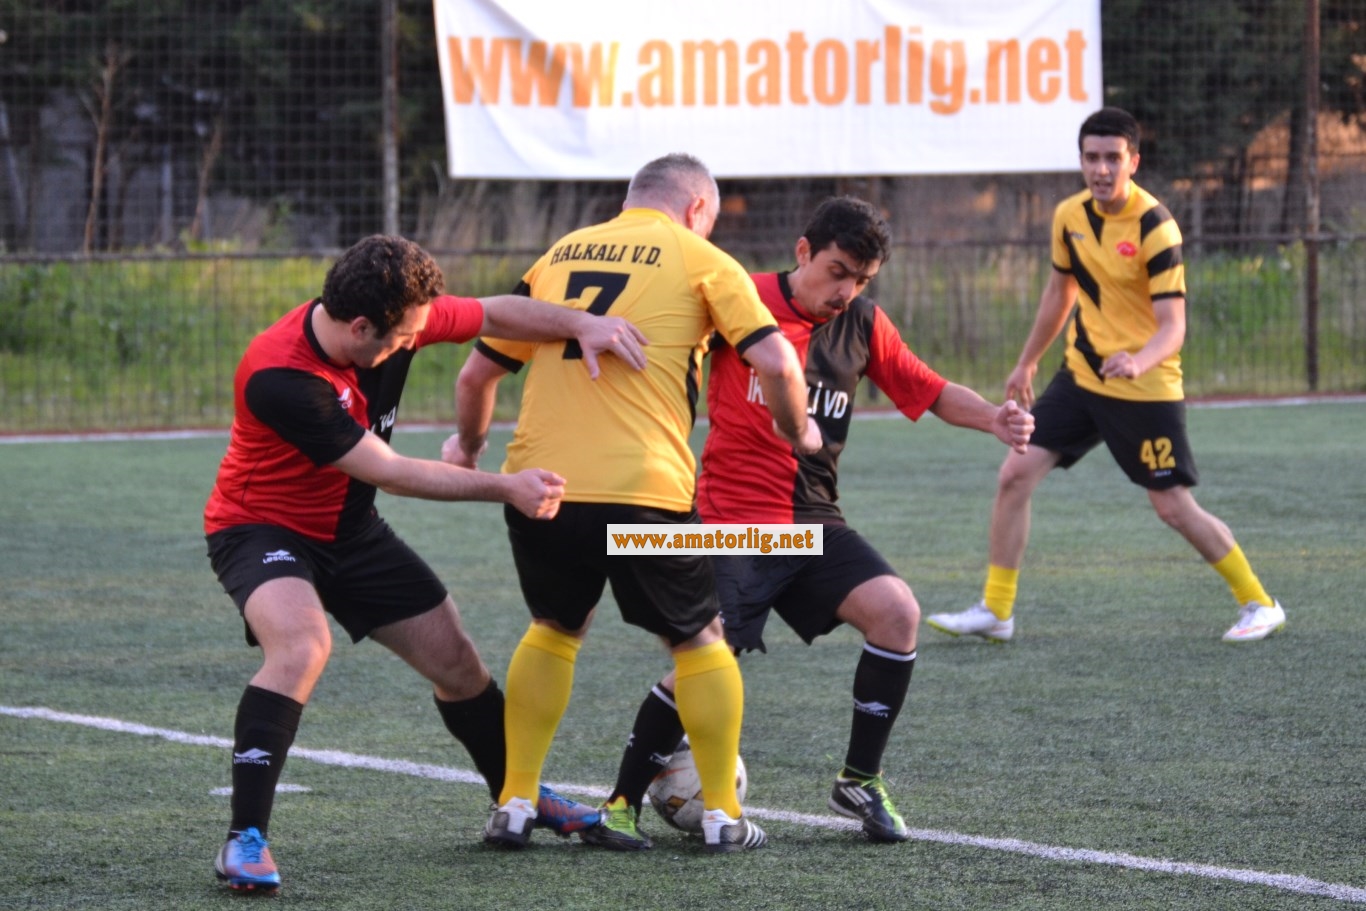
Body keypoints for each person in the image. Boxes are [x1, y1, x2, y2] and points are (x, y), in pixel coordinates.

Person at [574, 196, 1034, 850]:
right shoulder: (741, 298)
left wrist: (993, 417)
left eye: (861, 280)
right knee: (707, 656)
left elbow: (928, 388)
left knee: (897, 612)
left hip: (814, 523)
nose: (846, 291)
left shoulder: (864, 325)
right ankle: (620, 805)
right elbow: (659, 345)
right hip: (732, 523)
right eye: (837, 271)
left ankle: (859, 780)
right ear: (802, 252)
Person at [203, 234, 649, 893]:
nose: (417, 340)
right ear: (361, 327)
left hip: (351, 531)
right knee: (302, 646)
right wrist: (507, 486)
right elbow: (391, 471)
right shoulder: (281, 377)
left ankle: (518, 793)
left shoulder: (397, 316)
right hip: (259, 528)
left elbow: (495, 312)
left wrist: (582, 323)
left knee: (458, 663)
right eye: (406, 337)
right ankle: (244, 839)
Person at [450, 152, 818, 854]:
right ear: (697, 208)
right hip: (642, 491)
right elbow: (777, 361)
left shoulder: (559, 254)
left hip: (540, 489)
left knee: (554, 628)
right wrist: (797, 431)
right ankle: (722, 814)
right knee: (701, 640)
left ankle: (516, 802)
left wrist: (467, 449)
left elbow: (474, 377)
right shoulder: (702, 257)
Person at [926, 107, 1285, 645]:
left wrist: (1138, 361)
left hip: (1144, 387)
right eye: (1092, 157)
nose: (1101, 169)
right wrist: (1027, 360)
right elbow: (1060, 293)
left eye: (1113, 158)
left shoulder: (1155, 226)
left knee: (1171, 506)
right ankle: (997, 610)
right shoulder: (1068, 216)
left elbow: (1174, 327)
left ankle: (1260, 603)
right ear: (1080, 161)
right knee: (1014, 475)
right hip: (1081, 375)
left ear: (1133, 162)